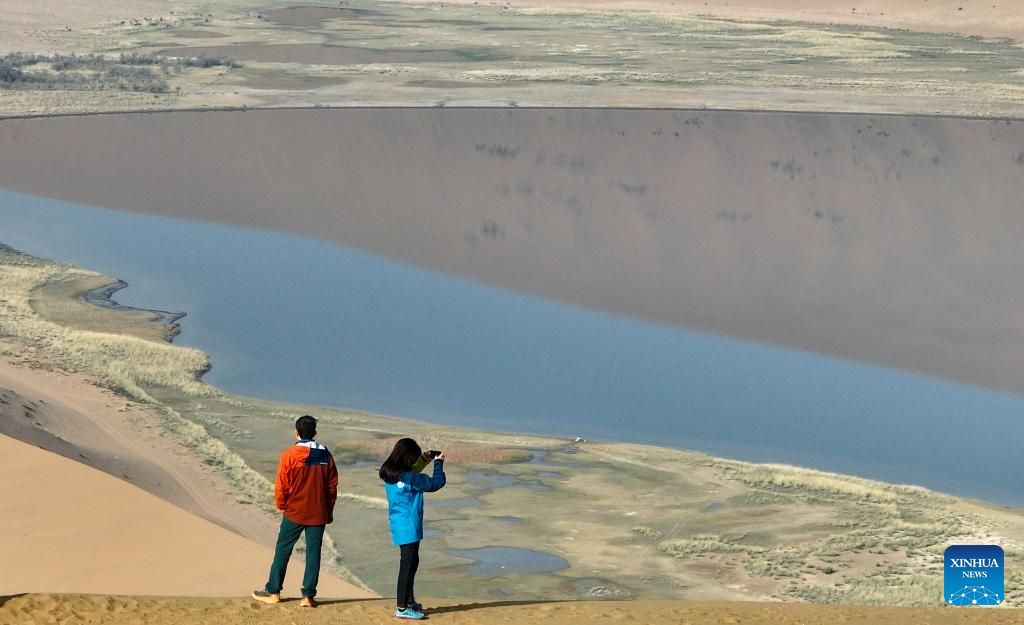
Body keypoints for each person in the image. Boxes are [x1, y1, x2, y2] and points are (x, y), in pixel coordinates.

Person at [252, 415, 338, 608]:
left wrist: (282, 505)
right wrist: (328, 511)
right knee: (313, 553)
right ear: (315, 433)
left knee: (283, 549)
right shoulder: (326, 455)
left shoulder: (289, 455)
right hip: (318, 512)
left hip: (294, 511)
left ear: (296, 432)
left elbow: (281, 486)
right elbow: (332, 487)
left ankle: (273, 590)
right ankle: (308, 596)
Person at [379, 438, 446, 620]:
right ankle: (401, 607)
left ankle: (409, 601)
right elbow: (435, 483)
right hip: (409, 526)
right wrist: (438, 463)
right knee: (407, 566)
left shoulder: (391, 473)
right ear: (407, 458)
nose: (414, 462)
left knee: (412, 562)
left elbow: (412, 472)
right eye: (414, 458)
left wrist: (426, 458)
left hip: (400, 524)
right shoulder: (410, 478)